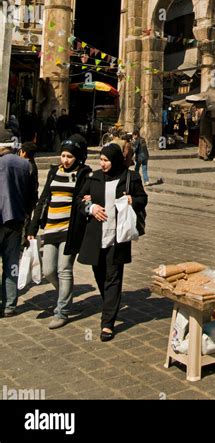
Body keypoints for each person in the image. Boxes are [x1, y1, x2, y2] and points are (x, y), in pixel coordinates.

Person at [76, 143, 147, 341]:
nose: (103, 163)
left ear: (115, 160)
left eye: (106, 160)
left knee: (113, 277)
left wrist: (133, 200)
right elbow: (80, 199)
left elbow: (143, 199)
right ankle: (109, 301)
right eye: (101, 160)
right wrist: (91, 208)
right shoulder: (95, 177)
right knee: (99, 273)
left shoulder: (130, 177)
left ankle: (107, 323)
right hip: (96, 236)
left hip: (119, 236)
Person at [27, 134, 91, 328]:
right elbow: (44, 198)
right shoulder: (54, 171)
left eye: (69, 156)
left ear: (78, 157)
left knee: (64, 269)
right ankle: (65, 295)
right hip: (51, 227)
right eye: (63, 155)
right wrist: (33, 225)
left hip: (69, 229)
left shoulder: (84, 173)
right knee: (48, 270)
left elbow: (87, 196)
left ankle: (62, 311)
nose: (65, 160)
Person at [0, 129, 36, 316]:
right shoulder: (25, 165)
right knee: (11, 264)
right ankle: (9, 305)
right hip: (16, 220)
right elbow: (32, 196)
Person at [19, 142, 39, 246]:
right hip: (30, 199)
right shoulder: (32, 165)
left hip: (26, 200)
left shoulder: (27, 166)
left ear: (24, 153)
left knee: (25, 222)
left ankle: (23, 243)